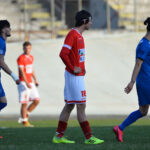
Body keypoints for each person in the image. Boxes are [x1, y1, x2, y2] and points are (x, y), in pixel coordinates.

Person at [52, 10, 104, 144]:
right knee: (81, 105)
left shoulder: (79, 35)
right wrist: (72, 68)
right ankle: (89, 138)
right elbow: (63, 53)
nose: (91, 23)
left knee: (69, 105)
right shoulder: (73, 34)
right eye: (90, 20)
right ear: (84, 21)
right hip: (74, 76)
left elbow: (76, 55)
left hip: (76, 75)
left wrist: (81, 66)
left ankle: (58, 137)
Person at [113, 17, 150, 143]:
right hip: (146, 81)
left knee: (143, 111)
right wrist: (132, 82)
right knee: (143, 111)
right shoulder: (144, 44)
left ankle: (120, 128)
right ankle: (120, 127)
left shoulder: (146, 43)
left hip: (146, 81)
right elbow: (138, 64)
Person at [0, 20, 20, 138]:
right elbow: (1, 61)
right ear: (3, 29)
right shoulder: (1, 42)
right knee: (2, 102)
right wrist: (14, 76)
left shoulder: (2, 42)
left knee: (3, 102)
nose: (10, 29)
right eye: (8, 27)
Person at [17, 41, 40, 127]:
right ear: (23, 48)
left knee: (36, 100)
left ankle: (25, 115)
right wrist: (26, 82)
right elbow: (21, 71)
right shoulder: (20, 58)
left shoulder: (31, 57)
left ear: (31, 48)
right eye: (26, 48)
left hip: (30, 82)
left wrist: (35, 79)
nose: (27, 49)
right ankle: (24, 122)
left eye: (29, 48)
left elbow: (31, 69)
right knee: (24, 102)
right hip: (23, 82)